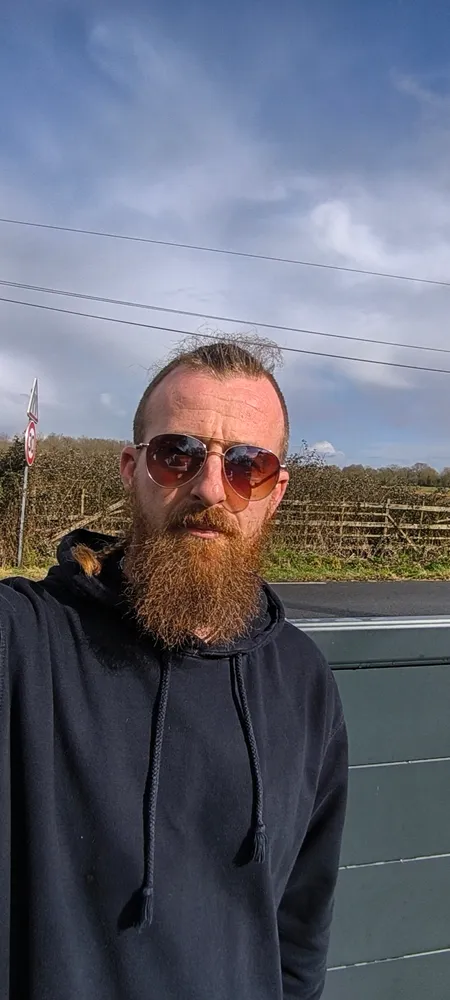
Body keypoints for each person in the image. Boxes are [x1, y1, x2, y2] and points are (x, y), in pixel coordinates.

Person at [0, 337, 348, 1000]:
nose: (210, 487)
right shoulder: (25, 642)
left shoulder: (304, 682)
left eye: (247, 464)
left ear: (275, 491)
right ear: (132, 468)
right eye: (177, 454)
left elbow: (299, 935)